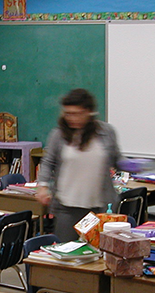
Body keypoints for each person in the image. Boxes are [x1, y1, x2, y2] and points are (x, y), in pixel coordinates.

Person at [36, 88, 123, 242]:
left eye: (76, 113)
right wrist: (42, 186)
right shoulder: (59, 135)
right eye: (67, 113)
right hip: (68, 208)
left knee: (98, 254)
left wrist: (130, 164)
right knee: (67, 253)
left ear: (89, 112)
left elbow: (116, 159)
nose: (71, 118)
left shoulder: (106, 132)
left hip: (100, 208)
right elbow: (48, 162)